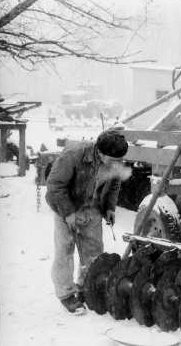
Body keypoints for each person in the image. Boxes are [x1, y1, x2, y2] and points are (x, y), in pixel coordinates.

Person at [45, 130, 128, 315]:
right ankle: (66, 294)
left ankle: (85, 286)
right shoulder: (74, 155)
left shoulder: (114, 159)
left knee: (94, 250)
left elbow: (115, 183)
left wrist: (109, 207)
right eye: (112, 159)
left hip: (93, 208)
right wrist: (68, 213)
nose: (116, 164)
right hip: (66, 205)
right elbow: (55, 185)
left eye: (118, 160)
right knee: (65, 250)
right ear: (99, 151)